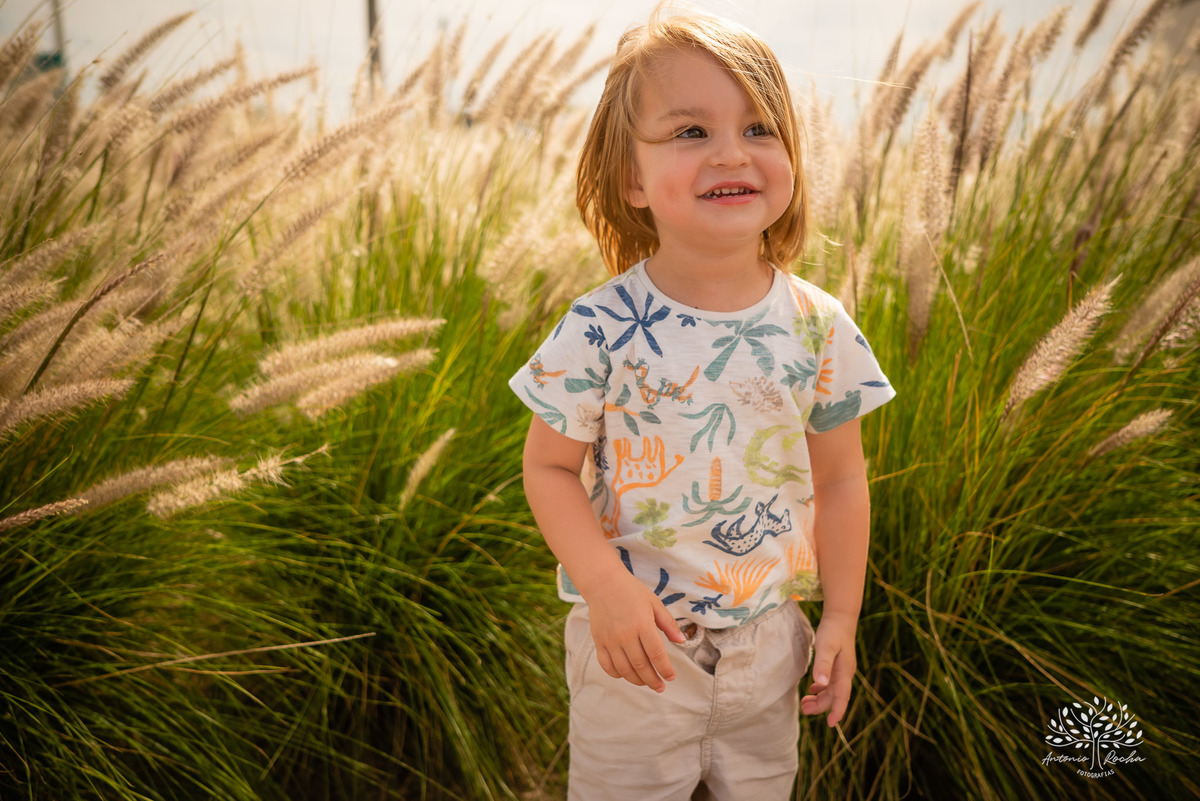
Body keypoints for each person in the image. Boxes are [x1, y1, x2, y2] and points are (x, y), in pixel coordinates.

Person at [509, 7, 895, 799]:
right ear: (632, 180)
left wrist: (842, 616)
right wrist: (605, 587)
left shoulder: (820, 327)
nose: (731, 152)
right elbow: (547, 468)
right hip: (636, 650)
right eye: (691, 131)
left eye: (759, 127)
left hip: (769, 643)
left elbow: (841, 479)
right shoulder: (602, 326)